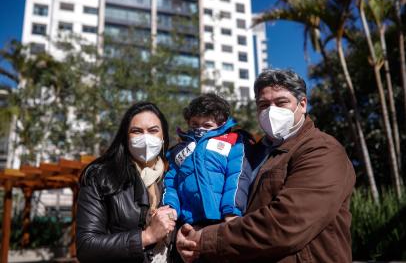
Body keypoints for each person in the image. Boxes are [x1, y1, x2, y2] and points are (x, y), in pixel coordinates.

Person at [176, 69, 356, 263]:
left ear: (302, 104)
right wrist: (187, 232)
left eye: (281, 102)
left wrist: (205, 239)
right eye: (264, 105)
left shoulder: (321, 150)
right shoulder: (248, 151)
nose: (271, 111)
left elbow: (286, 223)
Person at [76, 102, 177, 263]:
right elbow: (86, 247)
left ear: (163, 137)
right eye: (136, 131)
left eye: (153, 131)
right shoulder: (101, 176)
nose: (146, 138)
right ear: (126, 137)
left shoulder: (175, 178)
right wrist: (146, 236)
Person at [162, 93, 254, 225]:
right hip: (189, 221)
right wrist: (170, 207)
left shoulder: (233, 142)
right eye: (195, 124)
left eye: (207, 125)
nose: (200, 129)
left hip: (223, 218)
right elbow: (171, 182)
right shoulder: (179, 149)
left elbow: (237, 176)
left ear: (221, 124)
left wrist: (231, 211)